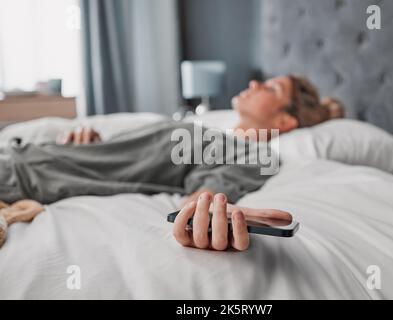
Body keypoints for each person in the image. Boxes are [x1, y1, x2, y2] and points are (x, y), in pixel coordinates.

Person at [0, 75, 344, 251]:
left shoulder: (250, 152)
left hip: (20, 175)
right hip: (26, 156)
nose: (255, 82)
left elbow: (214, 189)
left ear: (285, 122)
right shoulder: (208, 131)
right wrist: (91, 145)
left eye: (271, 87)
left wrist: (203, 214)